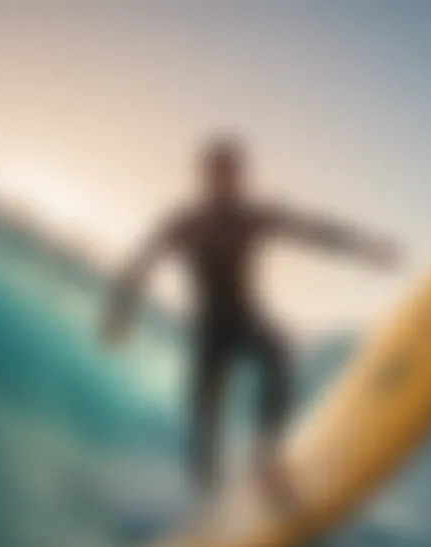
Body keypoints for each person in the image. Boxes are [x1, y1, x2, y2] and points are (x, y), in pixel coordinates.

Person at [102, 135, 402, 511]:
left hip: (246, 320)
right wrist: (121, 312)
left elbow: (315, 232)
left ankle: (266, 461)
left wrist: (367, 248)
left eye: (233, 171)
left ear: (240, 175)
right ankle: (204, 505)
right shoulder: (184, 222)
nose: (228, 179)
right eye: (219, 171)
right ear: (205, 175)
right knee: (205, 425)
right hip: (209, 333)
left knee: (279, 357)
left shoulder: (251, 217)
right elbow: (140, 264)